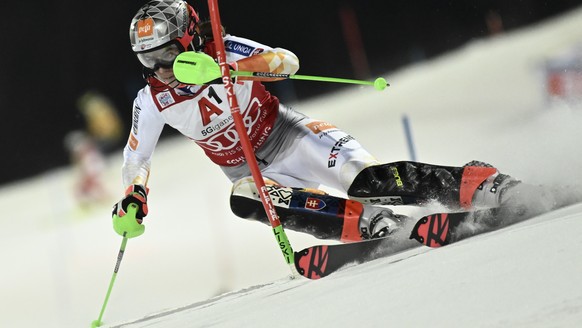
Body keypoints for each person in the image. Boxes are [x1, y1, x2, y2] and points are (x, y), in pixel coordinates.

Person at [114, 0, 521, 241]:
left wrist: (228, 71)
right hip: (256, 173)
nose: (157, 68)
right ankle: (375, 226)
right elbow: (137, 159)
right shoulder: (152, 100)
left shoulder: (224, 50)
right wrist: (135, 196)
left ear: (186, 39)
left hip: (292, 137)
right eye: (146, 60)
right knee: (244, 197)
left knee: (367, 182)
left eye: (163, 55)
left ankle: (481, 184)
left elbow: (286, 62)